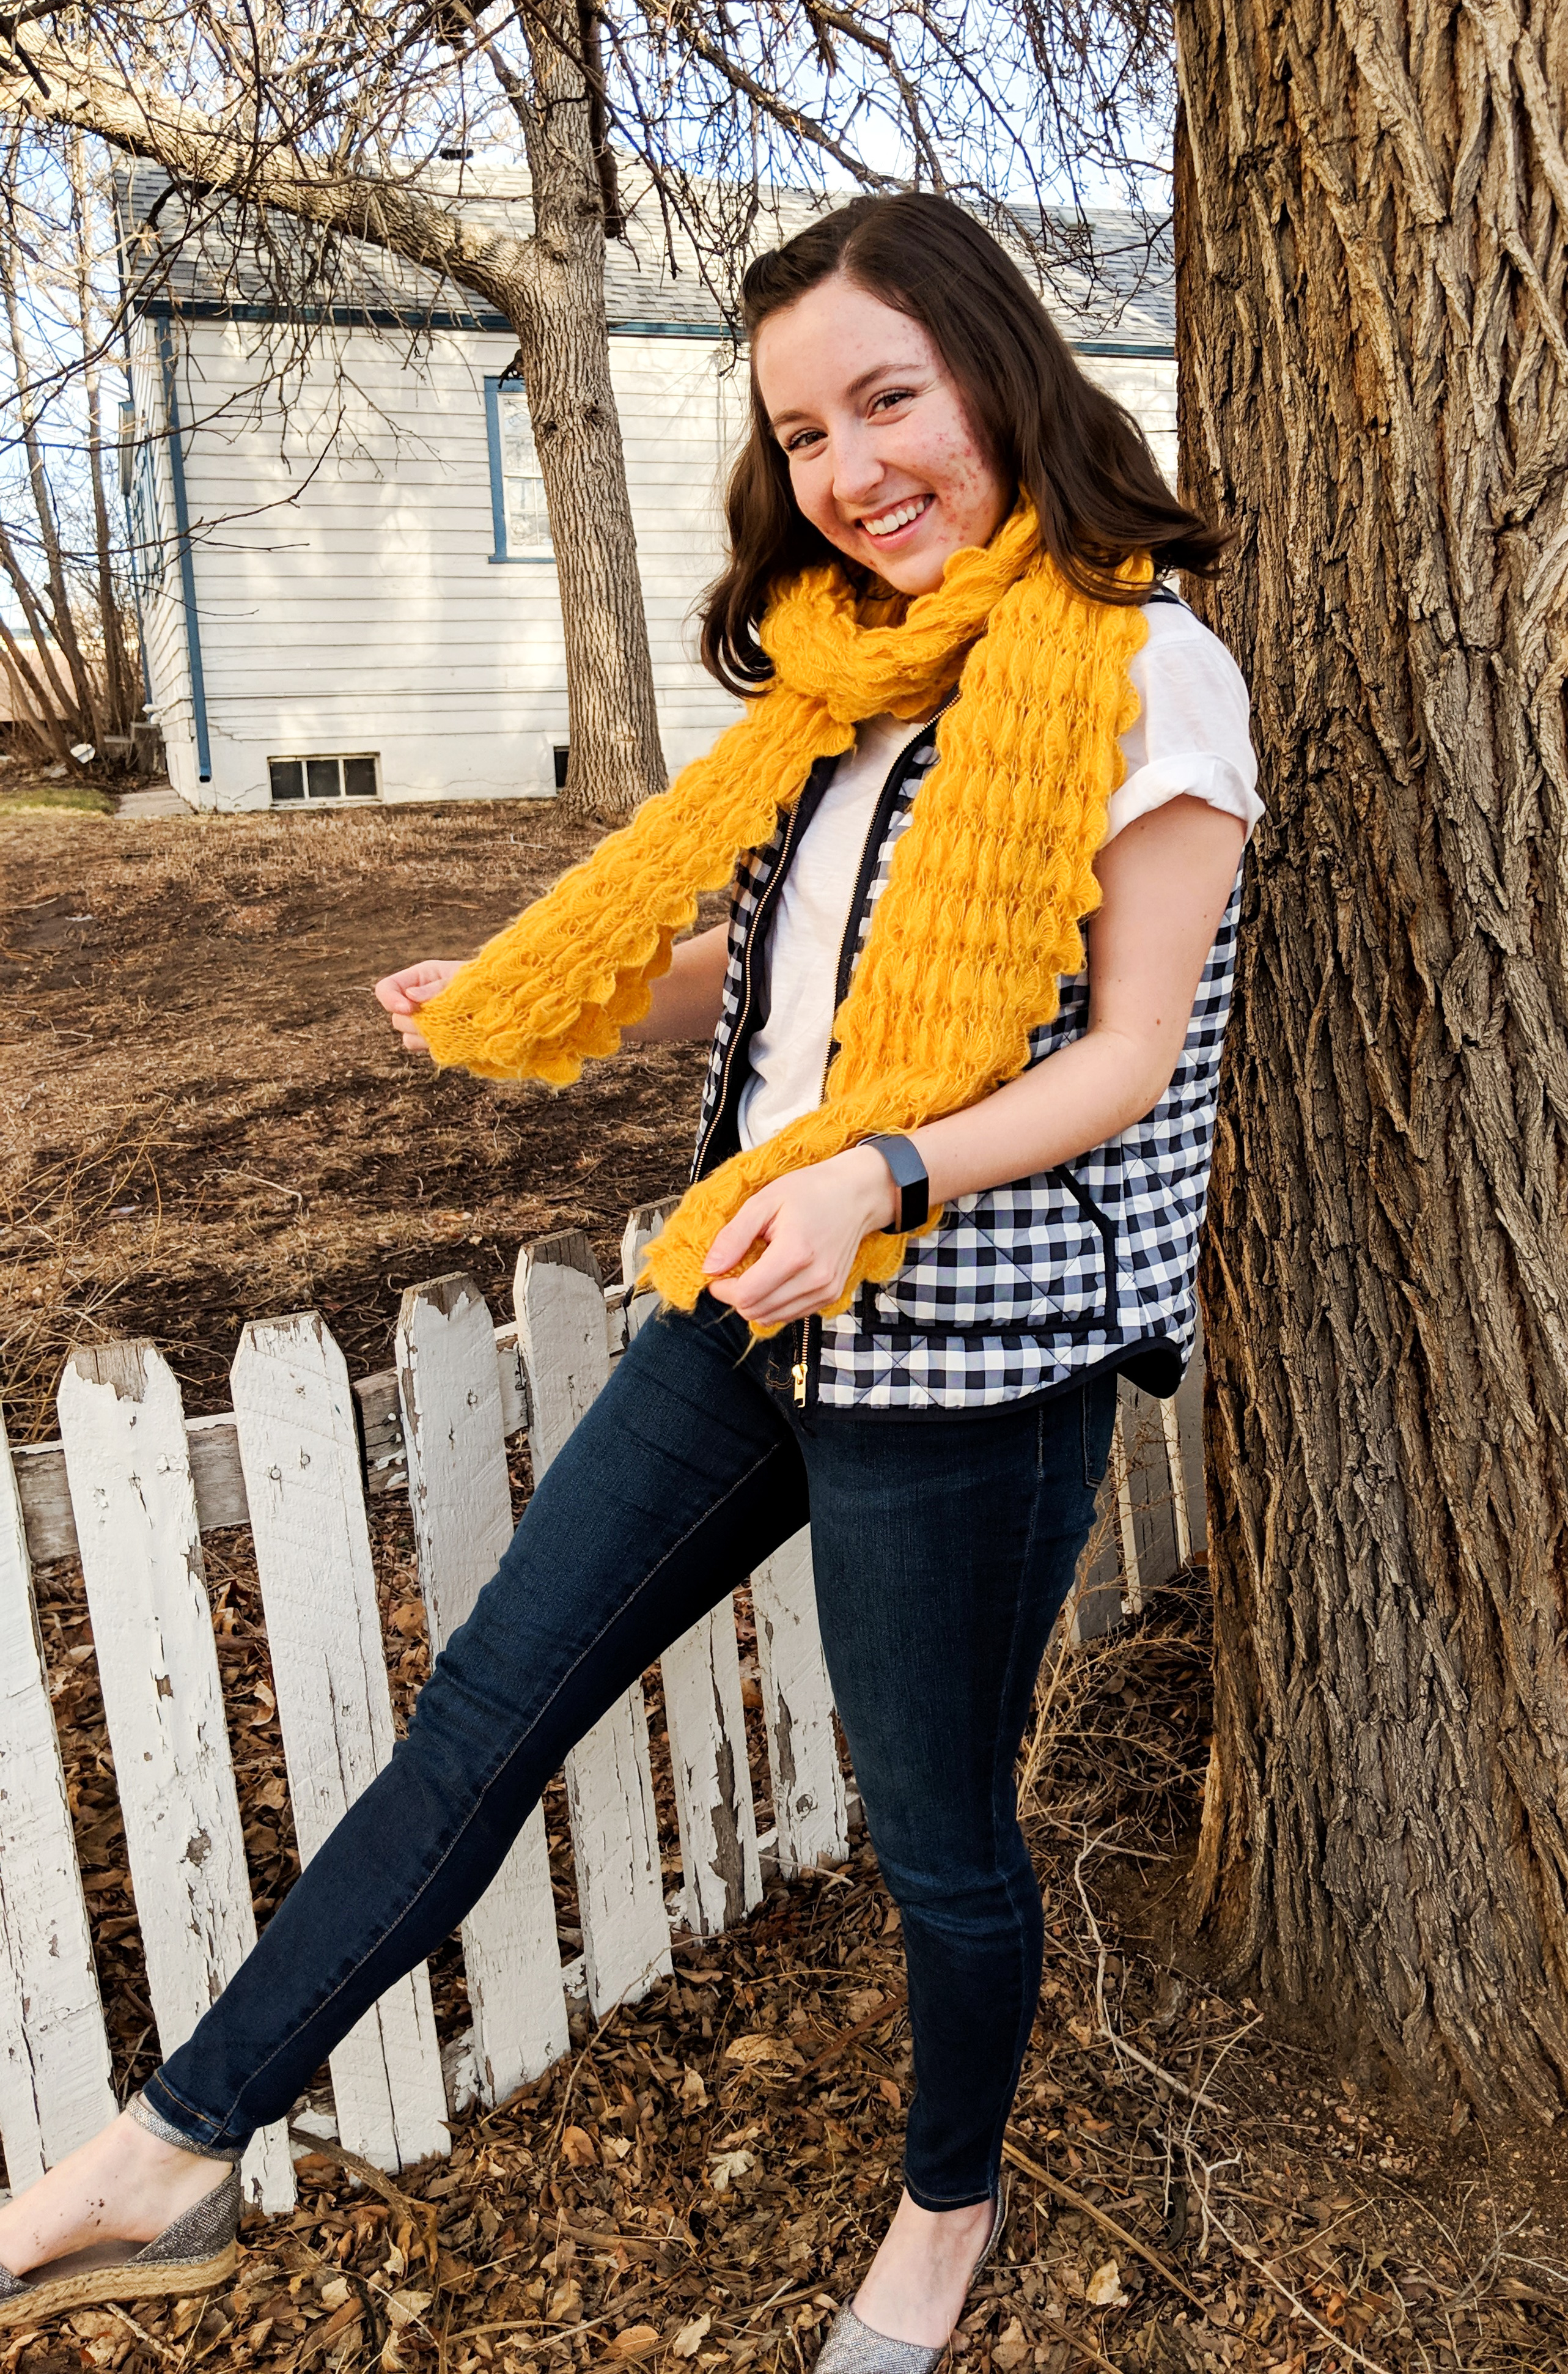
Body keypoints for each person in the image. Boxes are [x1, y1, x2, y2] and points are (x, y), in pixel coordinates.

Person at [0, 193, 1260, 2367]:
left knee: (937, 1840)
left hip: (967, 1337)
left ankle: (942, 2218)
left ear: (997, 371)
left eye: (890, 396)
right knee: (484, 1715)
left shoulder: (1148, 670)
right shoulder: (846, 676)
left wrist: (881, 1168)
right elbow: (765, 980)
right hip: (751, 1285)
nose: (852, 468)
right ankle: (175, 2141)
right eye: (802, 431)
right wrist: (531, 984)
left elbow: (1132, 1060)